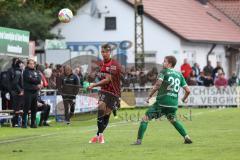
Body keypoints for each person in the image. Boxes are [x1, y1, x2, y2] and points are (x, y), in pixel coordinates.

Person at [133, 55, 192, 145]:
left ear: (170, 64)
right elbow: (188, 90)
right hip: (173, 104)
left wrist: (149, 96)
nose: (162, 63)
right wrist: (183, 99)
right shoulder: (179, 75)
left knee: (145, 119)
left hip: (162, 103)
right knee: (173, 120)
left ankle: (138, 141)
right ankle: (186, 137)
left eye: (164, 61)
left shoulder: (164, 71)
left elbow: (157, 85)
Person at [88, 44, 122, 144]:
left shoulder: (114, 64)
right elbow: (101, 77)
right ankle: (101, 136)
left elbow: (108, 80)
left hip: (114, 92)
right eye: (102, 52)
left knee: (106, 115)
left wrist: (94, 85)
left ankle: (97, 135)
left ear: (109, 52)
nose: (104, 54)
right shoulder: (102, 63)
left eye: (106, 52)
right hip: (104, 91)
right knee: (101, 108)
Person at [22, 59, 42, 128]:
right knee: (26, 108)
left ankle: (33, 123)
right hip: (28, 92)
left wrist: (34, 80)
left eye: (33, 64)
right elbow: (29, 79)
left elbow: (39, 79)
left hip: (35, 92)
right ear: (27, 64)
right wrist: (35, 80)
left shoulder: (36, 71)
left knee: (34, 108)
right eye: (30, 64)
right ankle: (23, 123)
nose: (32, 65)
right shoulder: (25, 71)